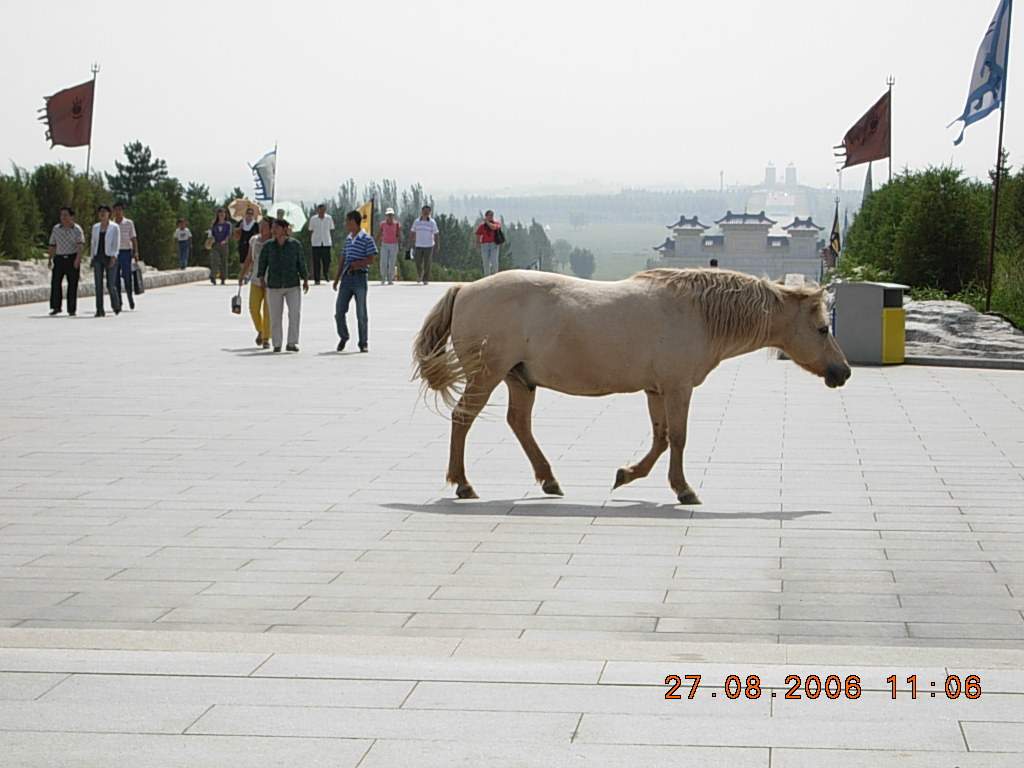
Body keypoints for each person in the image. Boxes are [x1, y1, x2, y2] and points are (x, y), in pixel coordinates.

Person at [258, 218, 308, 352]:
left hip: (292, 284)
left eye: (276, 227)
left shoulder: (295, 245)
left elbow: (301, 262)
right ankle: (277, 343)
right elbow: (262, 263)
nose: (273, 230)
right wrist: (261, 277)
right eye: (272, 227)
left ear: (284, 229)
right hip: (274, 285)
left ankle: (292, 343)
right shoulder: (268, 246)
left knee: (294, 314)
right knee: (275, 316)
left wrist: (305, 279)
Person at [333, 209, 377, 353]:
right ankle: (343, 336)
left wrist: (357, 264)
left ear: (356, 223)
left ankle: (363, 342)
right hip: (346, 278)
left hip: (359, 278)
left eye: (349, 222)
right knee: (339, 311)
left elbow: (371, 259)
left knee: (361, 313)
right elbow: (342, 258)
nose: (347, 225)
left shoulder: (366, 238)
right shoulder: (348, 239)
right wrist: (337, 278)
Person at [239, 218, 272, 349]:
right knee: (253, 308)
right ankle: (260, 329)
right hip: (256, 279)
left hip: (270, 280)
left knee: (268, 311)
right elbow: (249, 259)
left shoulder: (273, 242)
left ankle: (265, 338)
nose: (262, 228)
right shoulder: (254, 240)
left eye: (264, 226)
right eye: (260, 226)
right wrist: (242, 274)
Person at [48, 207, 85, 316]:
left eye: (65, 215)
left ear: (71, 217)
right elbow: (52, 244)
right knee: (55, 283)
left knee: (72, 284)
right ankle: (56, 307)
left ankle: (71, 309)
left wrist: (78, 259)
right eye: (61, 215)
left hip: (72, 257)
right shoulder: (56, 229)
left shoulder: (77, 229)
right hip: (59, 258)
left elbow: (80, 245)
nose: (63, 218)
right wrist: (50, 259)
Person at [90, 205, 122, 317]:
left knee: (110, 284)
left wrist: (114, 257)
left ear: (109, 214)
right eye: (100, 212)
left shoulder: (114, 227)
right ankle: (99, 309)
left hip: (110, 257)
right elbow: (93, 243)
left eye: (105, 212)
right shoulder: (95, 227)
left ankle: (116, 305)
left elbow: (117, 243)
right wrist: (92, 257)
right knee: (98, 285)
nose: (102, 214)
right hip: (98, 257)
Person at [112, 201, 139, 311]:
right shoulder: (111, 224)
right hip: (114, 253)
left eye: (120, 210)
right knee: (115, 278)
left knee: (127, 277)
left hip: (126, 252)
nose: (118, 212)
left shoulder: (129, 223)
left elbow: (133, 238)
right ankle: (119, 301)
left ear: (123, 211)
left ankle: (130, 297)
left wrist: (136, 252)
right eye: (116, 210)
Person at [410, 205, 439, 285]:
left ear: (430, 212)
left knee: (427, 263)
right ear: (421, 212)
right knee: (417, 262)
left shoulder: (432, 222)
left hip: (429, 245)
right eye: (424, 211)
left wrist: (437, 245)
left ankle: (425, 278)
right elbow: (412, 231)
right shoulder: (417, 221)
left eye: (427, 211)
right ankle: (419, 274)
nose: (426, 213)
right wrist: (410, 242)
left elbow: (436, 234)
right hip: (418, 245)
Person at [307, 204, 335, 285]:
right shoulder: (313, 219)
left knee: (327, 260)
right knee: (316, 262)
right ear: (318, 210)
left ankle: (326, 273)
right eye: (320, 210)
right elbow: (310, 230)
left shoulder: (329, 218)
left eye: (323, 210)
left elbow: (331, 229)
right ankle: (317, 279)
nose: (322, 212)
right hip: (316, 243)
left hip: (326, 242)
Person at [475, 210, 503, 277]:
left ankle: (495, 276)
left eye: (492, 215)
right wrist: (477, 244)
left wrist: (487, 222)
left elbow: (493, 227)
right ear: (486, 216)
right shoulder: (482, 226)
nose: (491, 217)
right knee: (485, 262)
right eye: (489, 215)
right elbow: (478, 234)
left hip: (494, 244)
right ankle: (486, 276)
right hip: (485, 245)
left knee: (494, 261)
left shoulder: (496, 223)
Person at [378, 207, 400, 285]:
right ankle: (383, 277)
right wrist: (378, 242)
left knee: (392, 262)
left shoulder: (396, 224)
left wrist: (398, 244)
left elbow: (398, 234)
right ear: (386, 216)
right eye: (388, 215)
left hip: (393, 244)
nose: (390, 217)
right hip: (384, 244)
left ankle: (390, 278)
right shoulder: (382, 224)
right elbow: (380, 233)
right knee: (383, 261)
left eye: (391, 215)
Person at [209, 208, 232, 285]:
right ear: (218, 215)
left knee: (223, 262)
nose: (222, 215)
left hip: (224, 245)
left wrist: (225, 240)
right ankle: (213, 276)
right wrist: (211, 239)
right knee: (215, 260)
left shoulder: (228, 224)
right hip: (215, 244)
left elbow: (228, 234)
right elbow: (211, 234)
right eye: (220, 214)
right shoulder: (214, 224)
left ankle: (223, 278)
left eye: (223, 214)